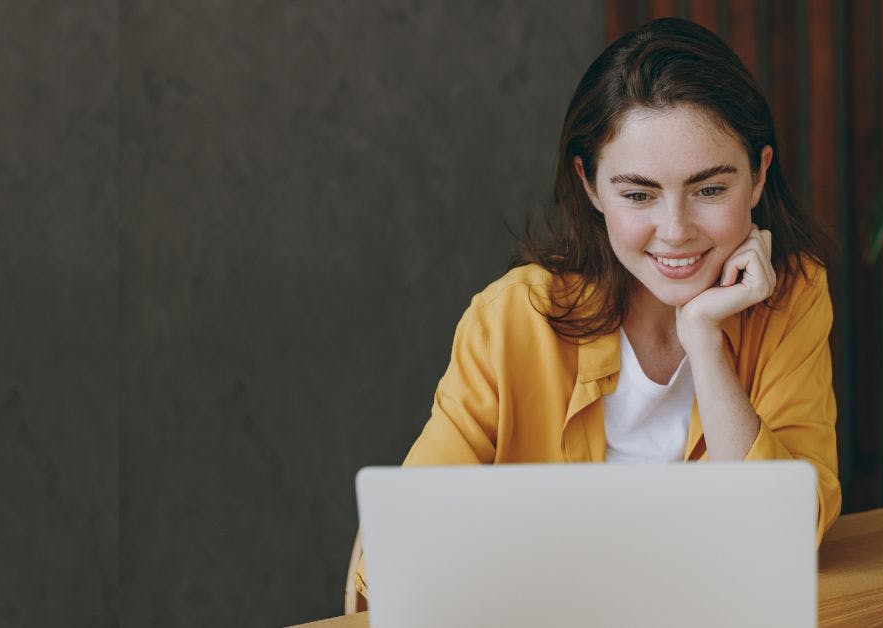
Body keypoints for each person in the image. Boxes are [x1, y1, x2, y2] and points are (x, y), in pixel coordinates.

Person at [346, 17, 840, 611]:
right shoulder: (512, 319)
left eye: (710, 190)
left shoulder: (793, 297)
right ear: (590, 186)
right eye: (638, 194)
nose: (676, 232)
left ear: (759, 176)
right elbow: (398, 545)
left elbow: (786, 533)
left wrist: (704, 339)